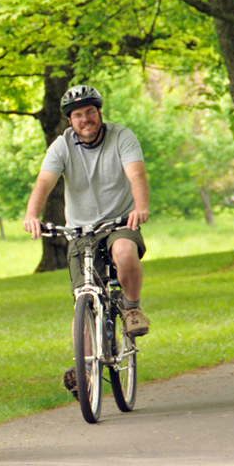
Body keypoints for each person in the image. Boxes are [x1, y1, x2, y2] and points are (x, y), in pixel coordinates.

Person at [22, 85, 150, 395]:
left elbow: (136, 174)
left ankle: (131, 308)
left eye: (90, 112)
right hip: (80, 231)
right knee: (83, 297)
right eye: (77, 115)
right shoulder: (61, 146)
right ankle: (87, 365)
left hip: (119, 221)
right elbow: (44, 182)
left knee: (124, 253)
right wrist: (32, 214)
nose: (85, 119)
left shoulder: (121, 136)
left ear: (99, 113)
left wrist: (140, 206)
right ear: (69, 121)